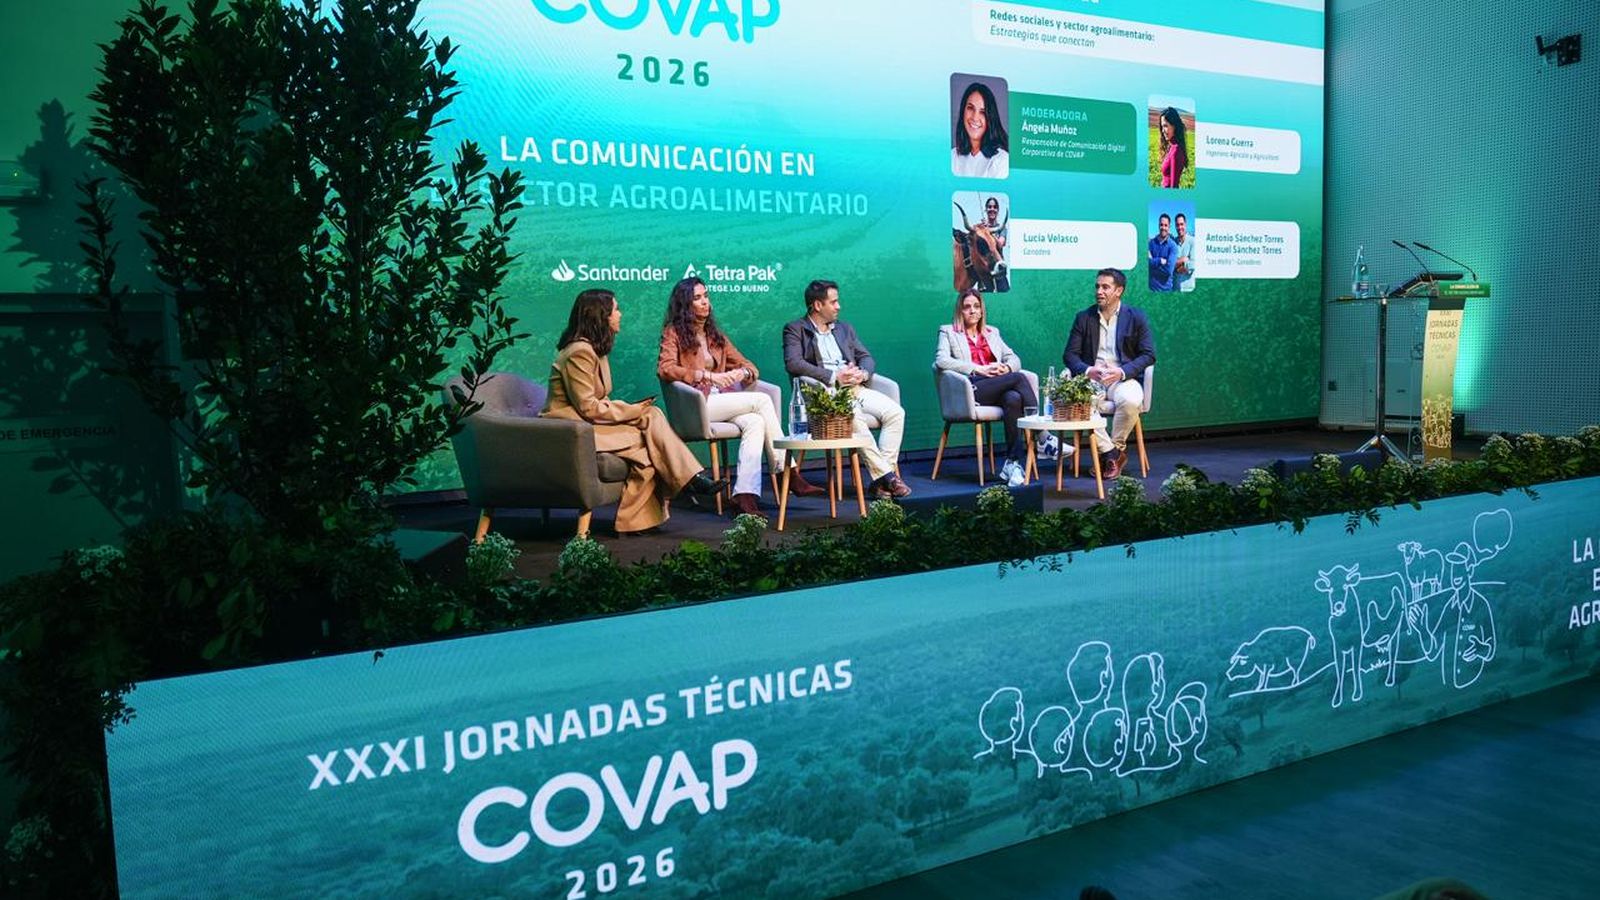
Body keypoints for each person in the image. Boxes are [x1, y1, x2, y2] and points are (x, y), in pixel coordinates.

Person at [542, 288, 725, 535]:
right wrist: (631, 411)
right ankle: (689, 479)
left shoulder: (594, 349)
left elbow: (598, 401)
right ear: (600, 316)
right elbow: (587, 406)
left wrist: (632, 410)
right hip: (571, 430)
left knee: (651, 432)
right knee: (650, 435)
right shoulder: (580, 352)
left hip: (588, 424)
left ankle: (643, 515)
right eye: (616, 309)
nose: (620, 314)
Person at [657, 276, 821, 518]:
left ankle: (744, 496)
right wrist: (706, 376)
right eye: (697, 298)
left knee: (755, 422)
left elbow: (749, 366)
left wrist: (740, 372)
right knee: (762, 402)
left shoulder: (714, 335)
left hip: (720, 401)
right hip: (696, 404)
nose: (705, 302)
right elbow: (665, 368)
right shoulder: (673, 333)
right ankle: (788, 471)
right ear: (685, 304)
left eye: (706, 296)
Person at [782, 279, 911, 499]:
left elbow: (866, 357)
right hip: (825, 394)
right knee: (854, 416)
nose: (838, 306)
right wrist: (834, 377)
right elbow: (794, 363)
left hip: (855, 388)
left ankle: (882, 478)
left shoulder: (844, 328)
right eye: (833, 302)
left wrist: (863, 373)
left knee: (896, 413)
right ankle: (888, 478)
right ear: (817, 305)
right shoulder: (795, 329)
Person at [934, 289, 1038, 487]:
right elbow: (941, 361)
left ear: (982, 310)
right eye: (967, 307)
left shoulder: (992, 332)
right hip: (970, 390)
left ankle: (1012, 463)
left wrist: (1005, 367)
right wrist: (978, 369)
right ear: (960, 311)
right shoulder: (948, 332)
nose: (972, 311)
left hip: (996, 388)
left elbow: (1013, 358)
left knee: (1013, 399)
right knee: (1017, 378)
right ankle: (1041, 435)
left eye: (976, 306)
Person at [1062, 268, 1156, 479]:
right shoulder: (1083, 318)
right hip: (1092, 380)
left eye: (1105, 287)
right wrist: (1088, 370)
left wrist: (1122, 372)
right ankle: (1112, 455)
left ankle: (1112, 451)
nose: (1099, 291)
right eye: (1097, 286)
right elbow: (1069, 356)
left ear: (1119, 291)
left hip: (1123, 378)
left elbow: (1149, 355)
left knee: (1131, 400)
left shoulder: (1136, 317)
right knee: (1081, 406)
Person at [952, 81, 1009, 179]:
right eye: (970, 108)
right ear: (963, 111)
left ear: (990, 118)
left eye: (982, 112)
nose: (975, 117)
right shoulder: (953, 156)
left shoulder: (1001, 160)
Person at [1157, 106, 1188, 188]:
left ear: (1174, 126)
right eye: (1162, 126)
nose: (1163, 130)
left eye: (1165, 126)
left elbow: (1174, 187)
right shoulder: (1171, 147)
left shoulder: (1176, 150)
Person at [1148, 213, 1176, 292]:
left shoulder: (1173, 246)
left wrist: (1152, 263)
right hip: (1151, 289)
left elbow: (1168, 271)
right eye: (1161, 225)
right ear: (1158, 225)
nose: (1163, 227)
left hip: (1166, 291)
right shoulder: (1150, 243)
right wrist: (1160, 261)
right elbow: (1146, 264)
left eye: (1166, 225)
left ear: (1169, 227)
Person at [1173, 212, 1195, 292]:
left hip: (1189, 290)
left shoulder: (1193, 241)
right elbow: (1169, 264)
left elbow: (1192, 265)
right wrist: (1183, 260)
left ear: (1185, 224)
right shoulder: (1173, 243)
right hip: (1175, 290)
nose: (1179, 227)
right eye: (1177, 225)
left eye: (1181, 224)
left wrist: (1175, 268)